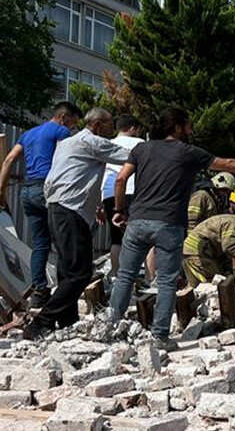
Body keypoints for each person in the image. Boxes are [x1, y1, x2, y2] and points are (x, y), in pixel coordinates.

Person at [108, 107, 235, 350]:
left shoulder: (141, 149)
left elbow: (121, 179)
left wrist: (118, 210)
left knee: (125, 275)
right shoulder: (187, 152)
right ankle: (159, 338)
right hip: (169, 224)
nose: (191, 130)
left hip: (137, 221)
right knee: (166, 281)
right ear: (176, 127)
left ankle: (111, 328)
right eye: (188, 126)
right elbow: (226, 163)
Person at [22, 108, 129, 338]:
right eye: (111, 124)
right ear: (98, 126)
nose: (113, 129)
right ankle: (42, 322)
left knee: (67, 268)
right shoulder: (92, 142)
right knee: (79, 273)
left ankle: (67, 320)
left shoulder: (70, 142)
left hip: (57, 207)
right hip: (71, 210)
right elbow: (129, 155)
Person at [0, 101, 82, 308]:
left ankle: (39, 290)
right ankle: (66, 290)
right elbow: (69, 162)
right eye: (72, 123)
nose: (72, 128)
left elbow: (9, 159)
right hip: (48, 190)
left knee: (40, 244)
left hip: (27, 192)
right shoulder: (61, 132)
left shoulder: (29, 134)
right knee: (64, 239)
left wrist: (1, 190)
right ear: (64, 117)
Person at [100, 114, 154, 280]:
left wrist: (99, 204)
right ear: (132, 129)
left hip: (110, 193)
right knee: (147, 238)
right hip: (137, 192)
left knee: (116, 239)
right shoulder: (142, 145)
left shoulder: (106, 144)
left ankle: (116, 277)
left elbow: (100, 174)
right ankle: (149, 279)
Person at [182, 189, 235, 287]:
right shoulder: (233, 222)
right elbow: (229, 247)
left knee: (195, 288)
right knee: (216, 284)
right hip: (199, 253)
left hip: (189, 250)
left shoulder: (224, 217)